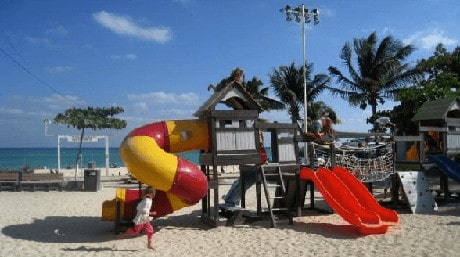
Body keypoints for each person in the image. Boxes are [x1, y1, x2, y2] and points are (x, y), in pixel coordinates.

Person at [120, 186, 157, 250]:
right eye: (153, 194)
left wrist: (147, 213)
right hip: (141, 219)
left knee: (150, 230)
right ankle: (124, 234)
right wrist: (151, 213)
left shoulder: (147, 200)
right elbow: (142, 209)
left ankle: (149, 244)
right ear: (149, 194)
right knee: (136, 231)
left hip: (145, 218)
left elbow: (139, 208)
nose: (154, 196)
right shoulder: (146, 201)